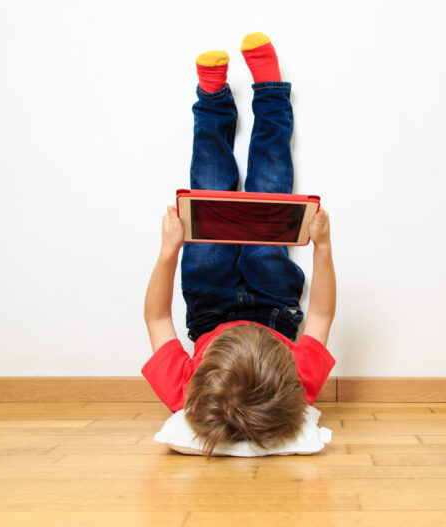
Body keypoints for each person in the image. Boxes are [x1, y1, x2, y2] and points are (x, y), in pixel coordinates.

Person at [141, 32, 336, 456]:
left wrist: (169, 249)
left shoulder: (190, 393)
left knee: (209, 189)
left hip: (209, 302)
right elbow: (321, 312)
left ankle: (212, 100)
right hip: (273, 301)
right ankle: (269, 92)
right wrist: (323, 247)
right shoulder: (297, 386)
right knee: (270, 188)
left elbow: (156, 318)